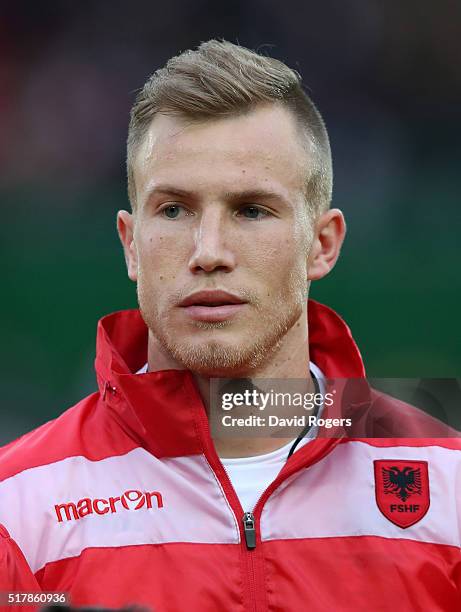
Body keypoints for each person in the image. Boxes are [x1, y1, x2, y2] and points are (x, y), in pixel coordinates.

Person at [0, 40, 460, 611]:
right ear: (130, 245)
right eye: (173, 210)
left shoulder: (450, 489)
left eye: (251, 210)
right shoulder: (16, 507)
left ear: (322, 245)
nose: (208, 251)